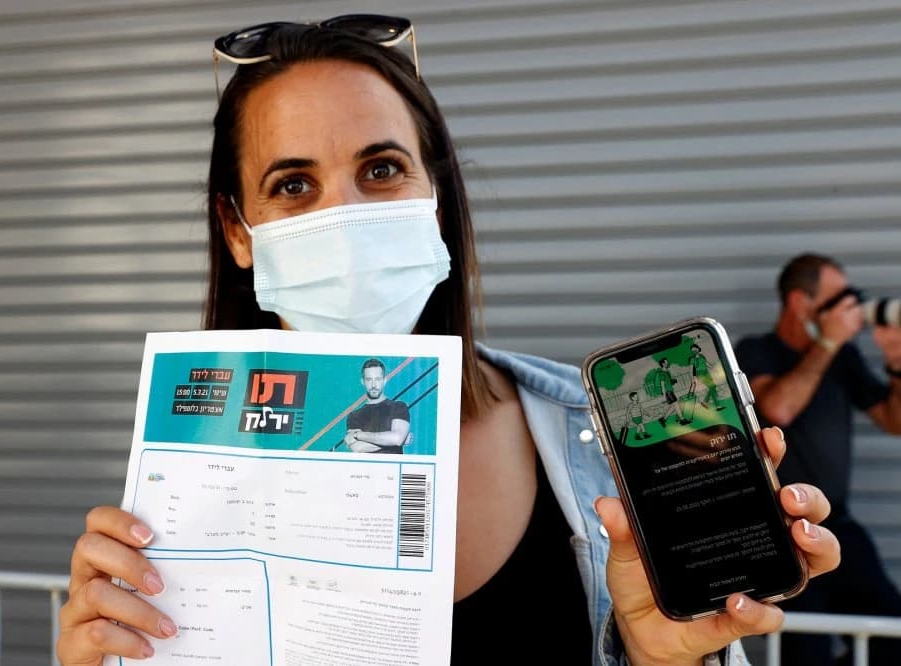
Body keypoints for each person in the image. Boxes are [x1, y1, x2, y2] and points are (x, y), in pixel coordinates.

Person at [57, 16, 841, 666]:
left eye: (381, 169)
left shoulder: (591, 441)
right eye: (293, 185)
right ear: (237, 229)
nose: (345, 218)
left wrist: (663, 657)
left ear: (434, 198)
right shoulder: (181, 493)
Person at [734, 252, 901, 666]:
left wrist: (896, 361)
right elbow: (778, 409)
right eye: (837, 299)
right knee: (806, 651)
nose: (848, 309)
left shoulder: (843, 358)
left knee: (892, 635)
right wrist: (828, 342)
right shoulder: (756, 351)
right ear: (799, 303)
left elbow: (893, 420)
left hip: (836, 524)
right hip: (779, 536)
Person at [344, 357, 411, 453]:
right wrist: (392, 440)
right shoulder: (354, 416)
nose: (373, 385)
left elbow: (397, 439)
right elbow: (357, 448)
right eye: (369, 380)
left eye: (378, 379)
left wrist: (359, 435)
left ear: (384, 380)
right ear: (362, 381)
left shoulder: (398, 407)